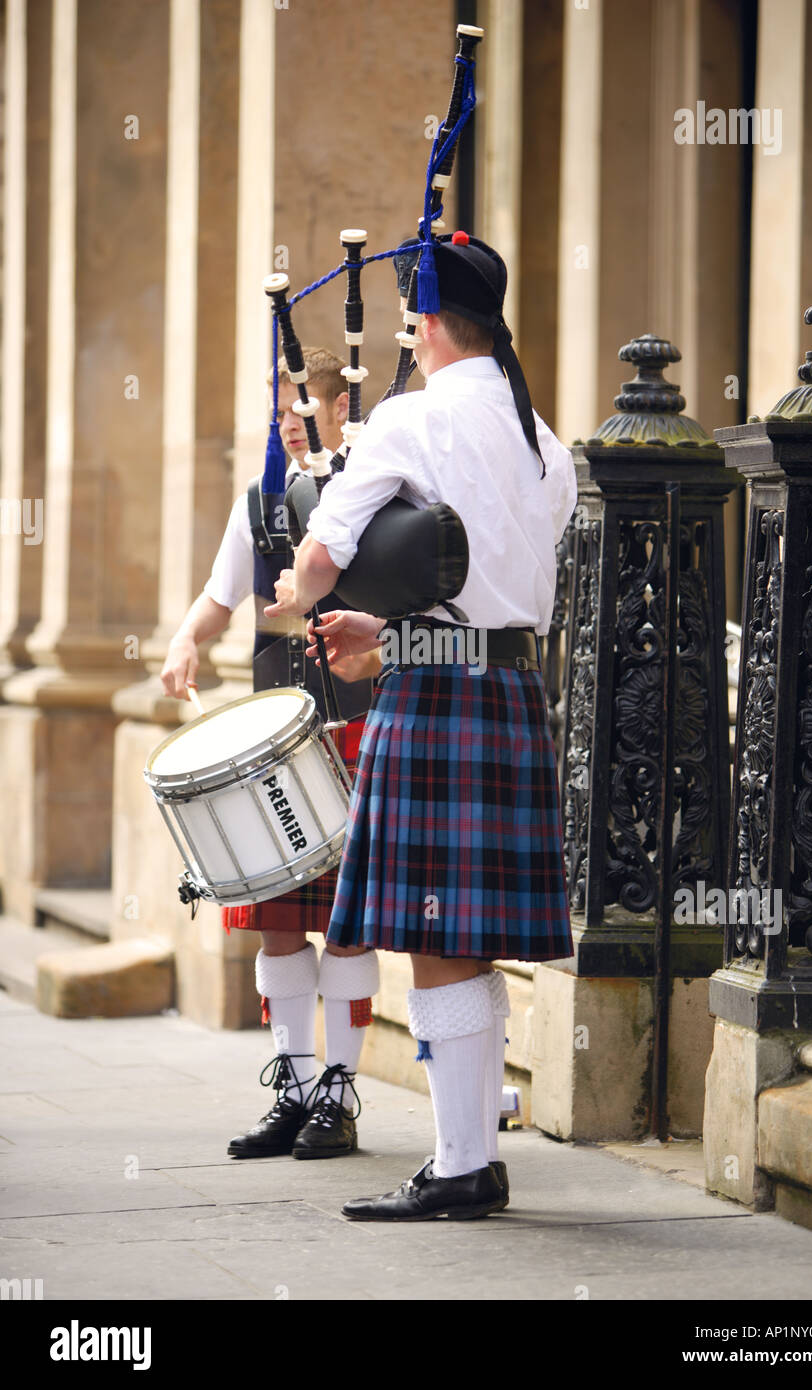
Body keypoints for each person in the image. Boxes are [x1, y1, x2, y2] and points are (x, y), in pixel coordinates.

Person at [263, 234, 577, 1219]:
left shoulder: (409, 419)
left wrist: (289, 596)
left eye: (410, 322)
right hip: (509, 695)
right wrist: (392, 634)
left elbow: (325, 553)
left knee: (439, 944)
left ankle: (460, 1169)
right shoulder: (547, 442)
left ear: (429, 325)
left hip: (440, 710)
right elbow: (483, 595)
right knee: (469, 943)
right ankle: (469, 1157)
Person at [160, 347, 380, 1162]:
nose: (284, 418)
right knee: (279, 926)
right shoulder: (257, 499)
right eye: (277, 405)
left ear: (337, 406)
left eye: (300, 403)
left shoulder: (369, 491)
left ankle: (339, 1097)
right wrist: (186, 639)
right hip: (269, 742)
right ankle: (291, 1091)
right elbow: (222, 596)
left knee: (348, 926)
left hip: (350, 729)